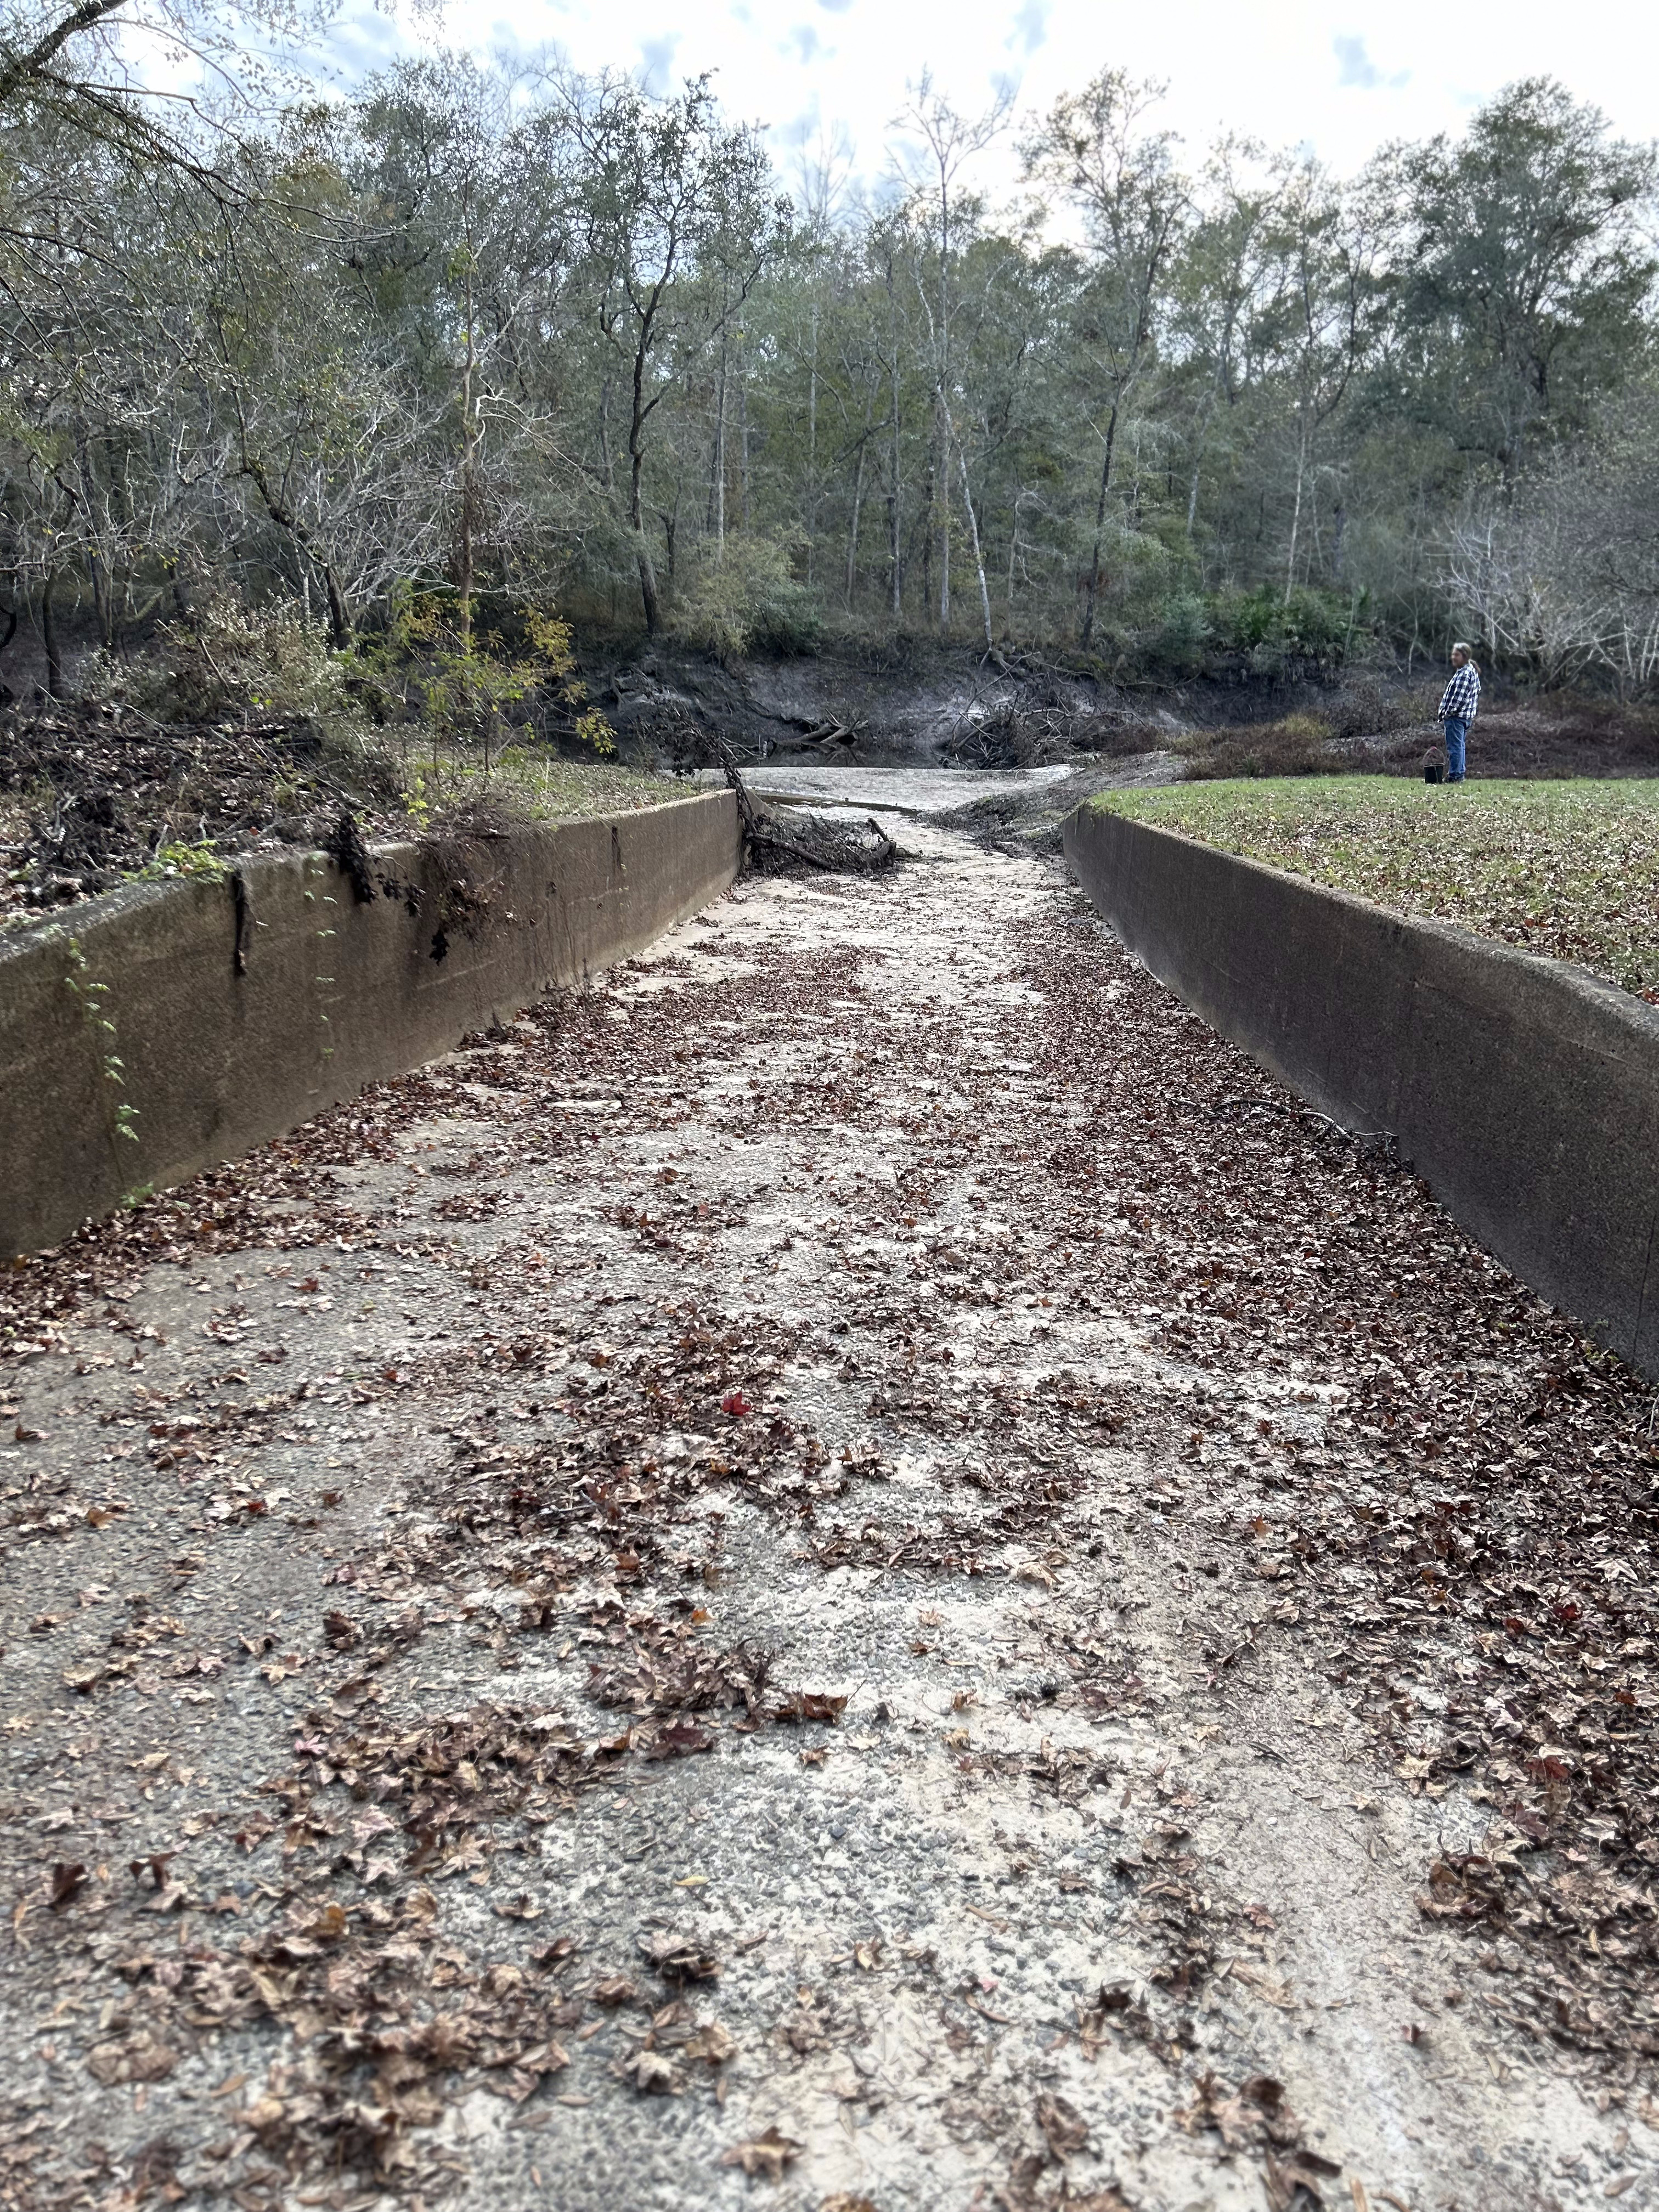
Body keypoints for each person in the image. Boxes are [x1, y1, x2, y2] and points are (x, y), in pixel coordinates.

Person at [1436, 642, 1480, 783]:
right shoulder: (1471, 671)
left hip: (1457, 718)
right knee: (1460, 746)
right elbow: (1477, 690)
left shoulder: (1464, 674)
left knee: (1455, 747)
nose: (1453, 657)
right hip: (1465, 717)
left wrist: (1447, 713)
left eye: (1457, 655)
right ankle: (1459, 774)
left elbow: (1457, 700)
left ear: (1464, 656)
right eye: (1453, 654)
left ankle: (1455, 776)